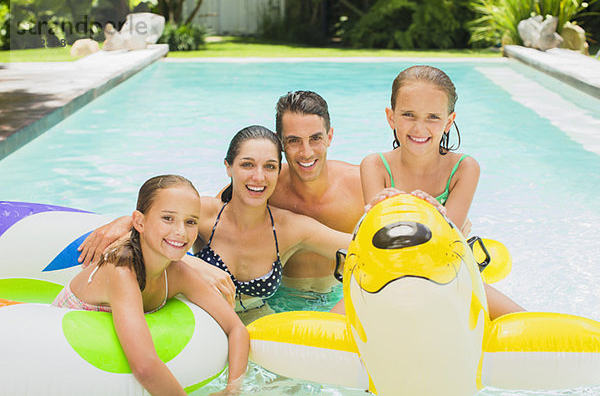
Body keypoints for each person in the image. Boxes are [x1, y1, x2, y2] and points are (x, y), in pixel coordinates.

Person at [78, 127, 352, 324]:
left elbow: (360, 247)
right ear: (228, 167)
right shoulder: (205, 212)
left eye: (269, 167)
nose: (258, 177)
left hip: (261, 323)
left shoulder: (290, 228)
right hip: (202, 321)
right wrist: (189, 263)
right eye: (247, 164)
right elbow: (155, 219)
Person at [52, 175, 248, 396]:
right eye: (168, 218)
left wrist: (232, 389)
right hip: (65, 359)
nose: (181, 232)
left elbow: (237, 328)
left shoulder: (177, 272)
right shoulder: (122, 271)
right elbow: (145, 368)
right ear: (139, 222)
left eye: (191, 222)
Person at [355, 65, 524, 320]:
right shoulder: (375, 165)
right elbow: (382, 245)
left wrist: (436, 217)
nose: (419, 128)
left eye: (433, 117)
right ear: (391, 117)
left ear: (449, 121)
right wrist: (377, 213)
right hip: (389, 274)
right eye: (409, 114)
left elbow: (446, 247)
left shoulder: (464, 168)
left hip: (451, 272)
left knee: (522, 319)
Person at [268, 91, 364, 293]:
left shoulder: (361, 186)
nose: (306, 152)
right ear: (280, 143)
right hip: (282, 300)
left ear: (329, 137)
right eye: (294, 140)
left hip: (342, 297)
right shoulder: (265, 188)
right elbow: (210, 216)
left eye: (315, 138)